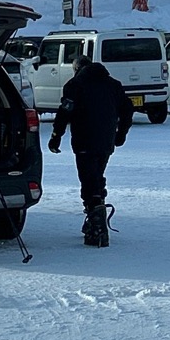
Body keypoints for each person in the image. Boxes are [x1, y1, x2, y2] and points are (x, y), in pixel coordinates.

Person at [48, 54, 133, 246]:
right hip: (106, 142)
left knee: (89, 179)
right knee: (96, 177)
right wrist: (121, 134)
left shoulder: (75, 85)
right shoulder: (113, 84)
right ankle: (95, 218)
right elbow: (127, 110)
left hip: (84, 140)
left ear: (77, 69)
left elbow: (65, 111)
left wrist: (56, 136)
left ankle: (97, 226)